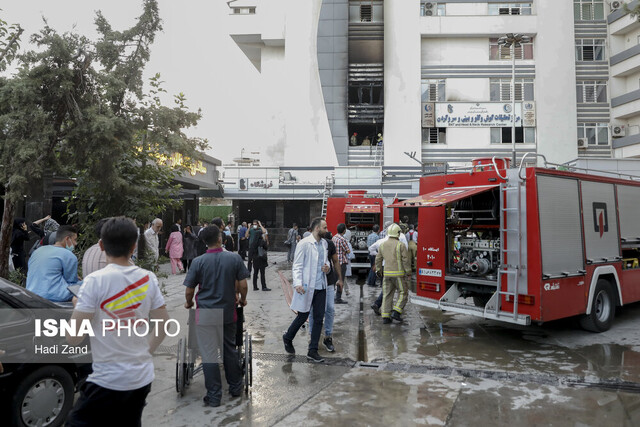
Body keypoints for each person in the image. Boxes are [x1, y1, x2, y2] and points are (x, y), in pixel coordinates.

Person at [66, 217, 168, 426]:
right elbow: (163, 325)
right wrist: (143, 354)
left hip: (106, 381)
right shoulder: (148, 278)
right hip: (141, 377)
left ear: (101, 245)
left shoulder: (94, 281)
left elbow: (73, 338)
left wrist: (78, 306)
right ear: (133, 246)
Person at [183, 225, 250, 407]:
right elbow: (243, 285)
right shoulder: (234, 258)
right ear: (220, 239)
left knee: (209, 354)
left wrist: (189, 303)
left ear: (204, 242)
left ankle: (214, 396)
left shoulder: (198, 262)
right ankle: (235, 388)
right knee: (229, 349)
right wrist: (243, 300)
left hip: (205, 313)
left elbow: (190, 290)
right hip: (228, 312)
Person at [283, 217, 330, 363]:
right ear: (317, 228)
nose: (327, 230)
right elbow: (297, 265)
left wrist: (327, 268)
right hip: (307, 286)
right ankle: (288, 337)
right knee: (303, 316)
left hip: (321, 286)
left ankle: (312, 350)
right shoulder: (303, 244)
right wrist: (297, 283)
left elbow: (325, 261)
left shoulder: (324, 244)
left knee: (318, 318)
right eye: (325, 227)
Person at [26, 225, 81, 303]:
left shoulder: (38, 251)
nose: (76, 243)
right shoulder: (69, 255)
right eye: (75, 240)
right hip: (54, 296)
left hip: (31, 292)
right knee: (86, 283)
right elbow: (71, 281)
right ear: (67, 239)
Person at [309, 231, 343, 353]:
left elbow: (335, 261)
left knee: (330, 309)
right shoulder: (307, 244)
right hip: (314, 283)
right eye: (324, 227)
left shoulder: (329, 244)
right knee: (314, 311)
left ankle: (328, 337)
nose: (327, 230)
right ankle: (313, 337)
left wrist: (340, 279)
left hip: (328, 282)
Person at [375, 224, 411, 324]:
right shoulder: (401, 245)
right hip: (399, 275)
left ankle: (386, 317)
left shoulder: (382, 245)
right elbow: (405, 260)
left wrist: (379, 271)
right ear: (398, 233)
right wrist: (408, 272)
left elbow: (378, 259)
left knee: (387, 294)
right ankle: (396, 311)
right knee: (403, 292)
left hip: (386, 274)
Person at [332, 223, 350, 304]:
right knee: (341, 279)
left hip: (334, 261)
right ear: (344, 230)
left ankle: (329, 295)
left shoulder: (334, 237)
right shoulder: (342, 239)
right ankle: (338, 298)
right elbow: (348, 250)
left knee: (333, 279)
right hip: (342, 262)